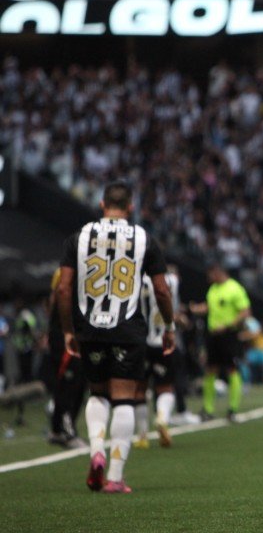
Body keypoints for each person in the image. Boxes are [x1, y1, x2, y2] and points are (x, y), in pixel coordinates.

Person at [57, 181, 176, 493]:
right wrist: (169, 326)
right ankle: (115, 476)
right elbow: (161, 289)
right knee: (124, 397)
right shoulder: (143, 238)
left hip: (90, 327)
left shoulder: (79, 237)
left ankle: (96, 449)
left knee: (97, 394)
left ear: (101, 204)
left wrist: (69, 329)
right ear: (131, 207)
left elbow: (62, 287)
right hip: (127, 329)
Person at [192, 265, 251, 421]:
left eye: (210, 273)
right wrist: (198, 308)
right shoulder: (212, 289)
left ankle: (233, 409)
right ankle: (208, 409)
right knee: (210, 369)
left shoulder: (235, 288)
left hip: (229, 335)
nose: (208, 277)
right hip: (213, 335)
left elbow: (245, 311)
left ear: (218, 272)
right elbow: (210, 307)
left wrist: (228, 324)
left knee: (232, 369)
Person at [132, 267, 181, 449]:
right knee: (165, 387)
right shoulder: (172, 280)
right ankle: (161, 417)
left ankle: (142, 436)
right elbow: (172, 307)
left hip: (140, 341)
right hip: (163, 340)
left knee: (139, 389)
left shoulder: (136, 278)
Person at [45, 267, 88, 449]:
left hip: (75, 334)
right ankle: (67, 431)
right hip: (66, 335)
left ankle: (57, 429)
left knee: (76, 382)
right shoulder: (65, 272)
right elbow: (56, 297)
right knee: (70, 383)